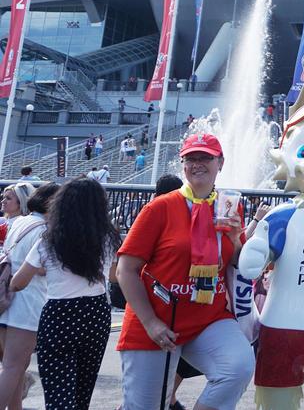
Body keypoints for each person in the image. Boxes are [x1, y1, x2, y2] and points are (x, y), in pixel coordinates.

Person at [114, 133, 254, 409]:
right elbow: (126, 270)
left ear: (220, 163)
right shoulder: (159, 208)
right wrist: (151, 322)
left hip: (208, 317)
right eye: (191, 158)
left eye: (205, 158)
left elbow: (236, 263)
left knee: (237, 367)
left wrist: (237, 237)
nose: (198, 164)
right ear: (183, 164)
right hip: (157, 320)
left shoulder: (229, 206)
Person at [12, 177, 118, 410]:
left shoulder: (49, 240)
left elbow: (19, 282)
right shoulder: (108, 238)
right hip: (96, 313)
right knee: (82, 390)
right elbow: (113, 276)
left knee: (58, 391)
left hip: (60, 314)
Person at [0, 182, 55, 410]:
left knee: (14, 366)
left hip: (7, 300)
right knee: (14, 366)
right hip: (28, 301)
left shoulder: (19, 222)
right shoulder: (44, 230)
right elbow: (42, 268)